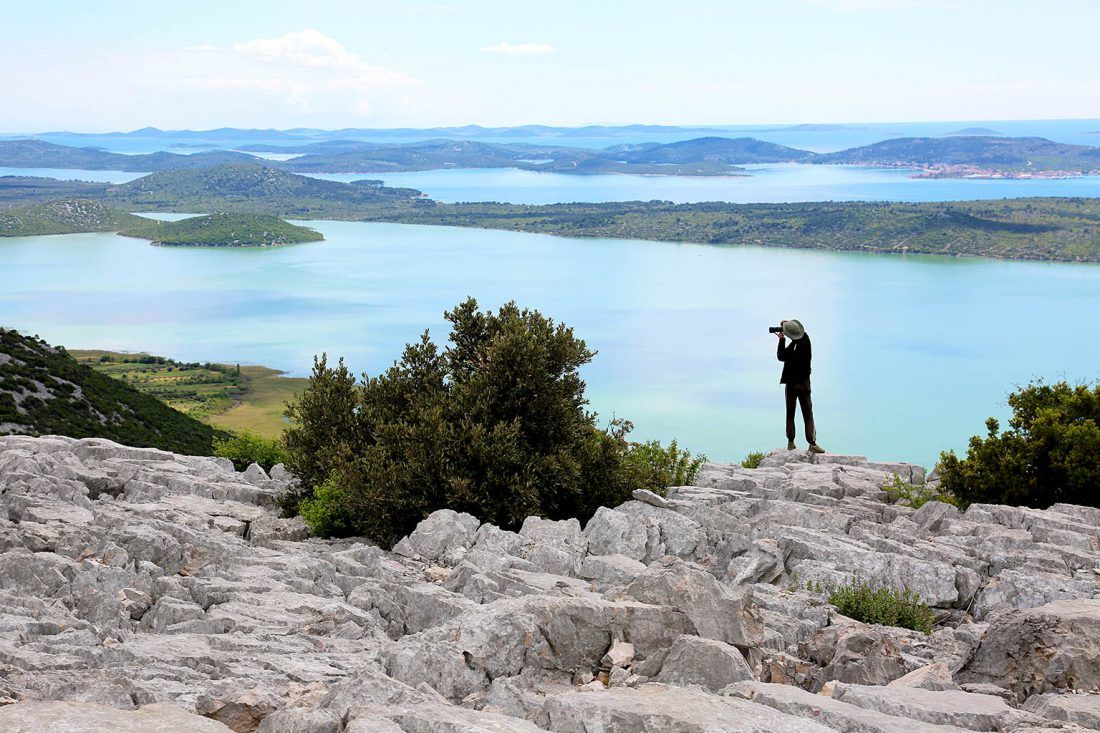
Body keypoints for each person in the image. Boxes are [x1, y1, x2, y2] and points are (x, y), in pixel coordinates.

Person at [775, 319, 825, 453]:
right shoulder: (806, 341)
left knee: (790, 413)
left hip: (791, 385)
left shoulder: (791, 348)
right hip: (804, 384)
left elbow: (781, 356)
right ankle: (812, 443)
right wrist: (787, 324)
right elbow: (797, 331)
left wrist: (781, 340)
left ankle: (791, 443)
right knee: (808, 414)